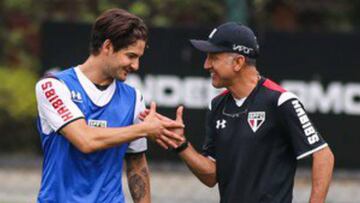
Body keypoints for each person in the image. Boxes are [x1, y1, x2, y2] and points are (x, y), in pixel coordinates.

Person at [169, 22, 335, 203]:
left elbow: (323, 155)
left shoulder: (281, 101)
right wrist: (181, 144)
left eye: (213, 57)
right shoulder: (216, 106)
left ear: (239, 62)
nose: (206, 65)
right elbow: (211, 177)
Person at [35, 8, 183, 203]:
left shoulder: (133, 98)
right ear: (107, 46)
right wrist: (144, 129)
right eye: (131, 56)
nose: (136, 66)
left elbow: (137, 164)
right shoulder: (53, 86)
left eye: (139, 58)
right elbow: (85, 140)